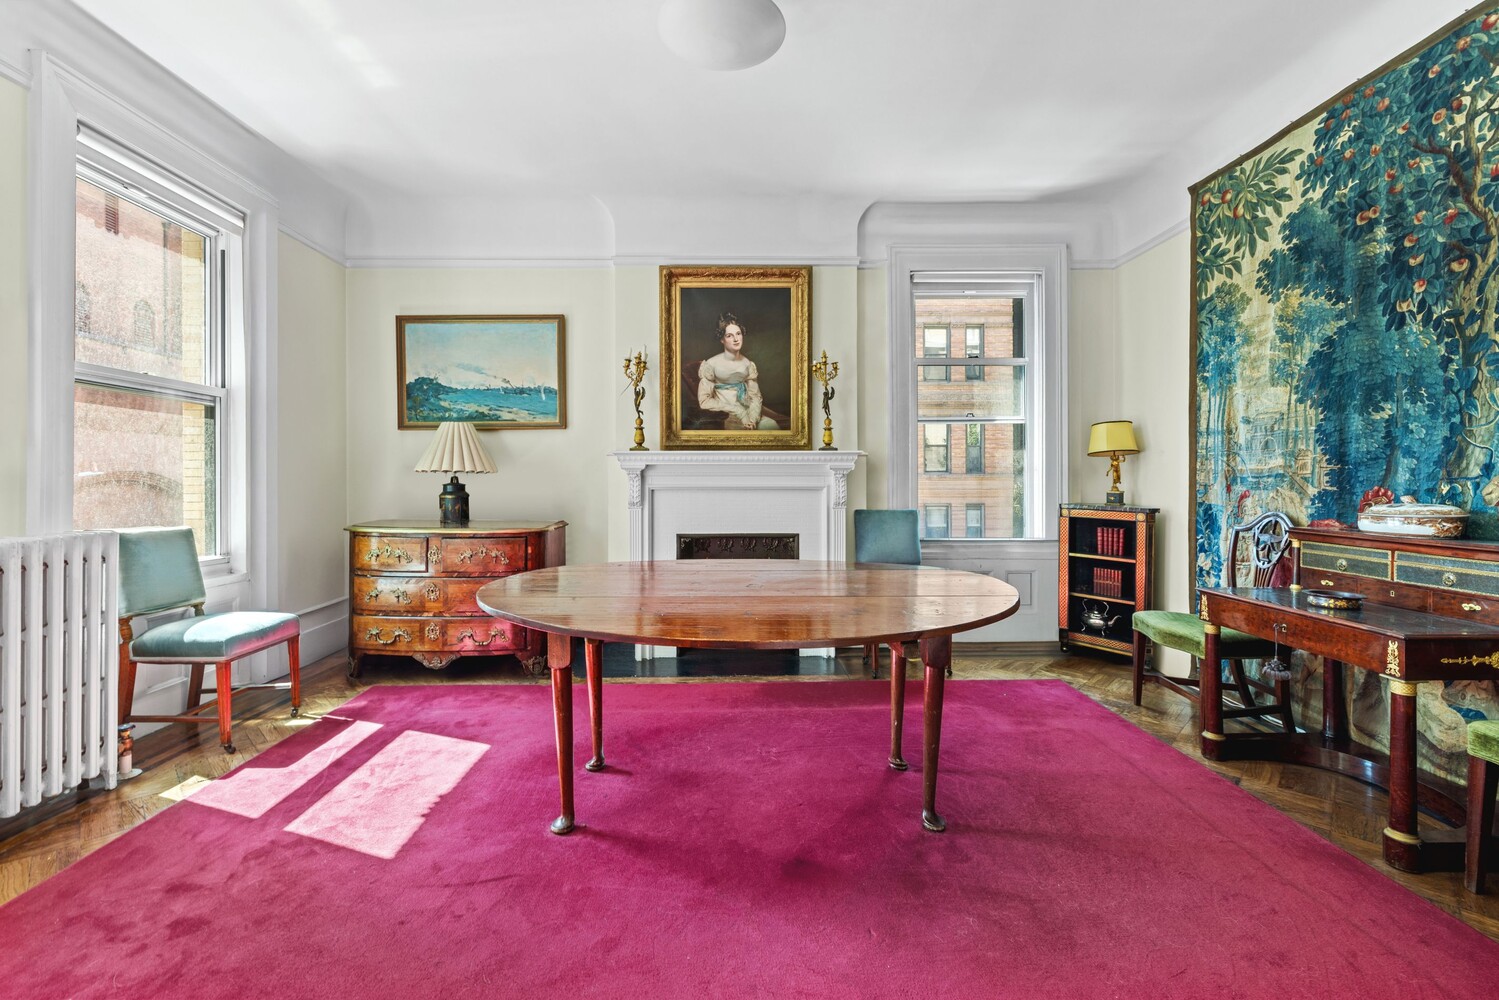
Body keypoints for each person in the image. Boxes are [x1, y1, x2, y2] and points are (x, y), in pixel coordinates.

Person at [697, 313, 780, 430]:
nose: (736, 339)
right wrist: (739, 411)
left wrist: (752, 419)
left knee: (771, 426)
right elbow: (704, 401)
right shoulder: (711, 365)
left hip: (748, 411)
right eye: (729, 336)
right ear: (722, 339)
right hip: (724, 414)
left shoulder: (748, 364)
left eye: (738, 334)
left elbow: (755, 397)